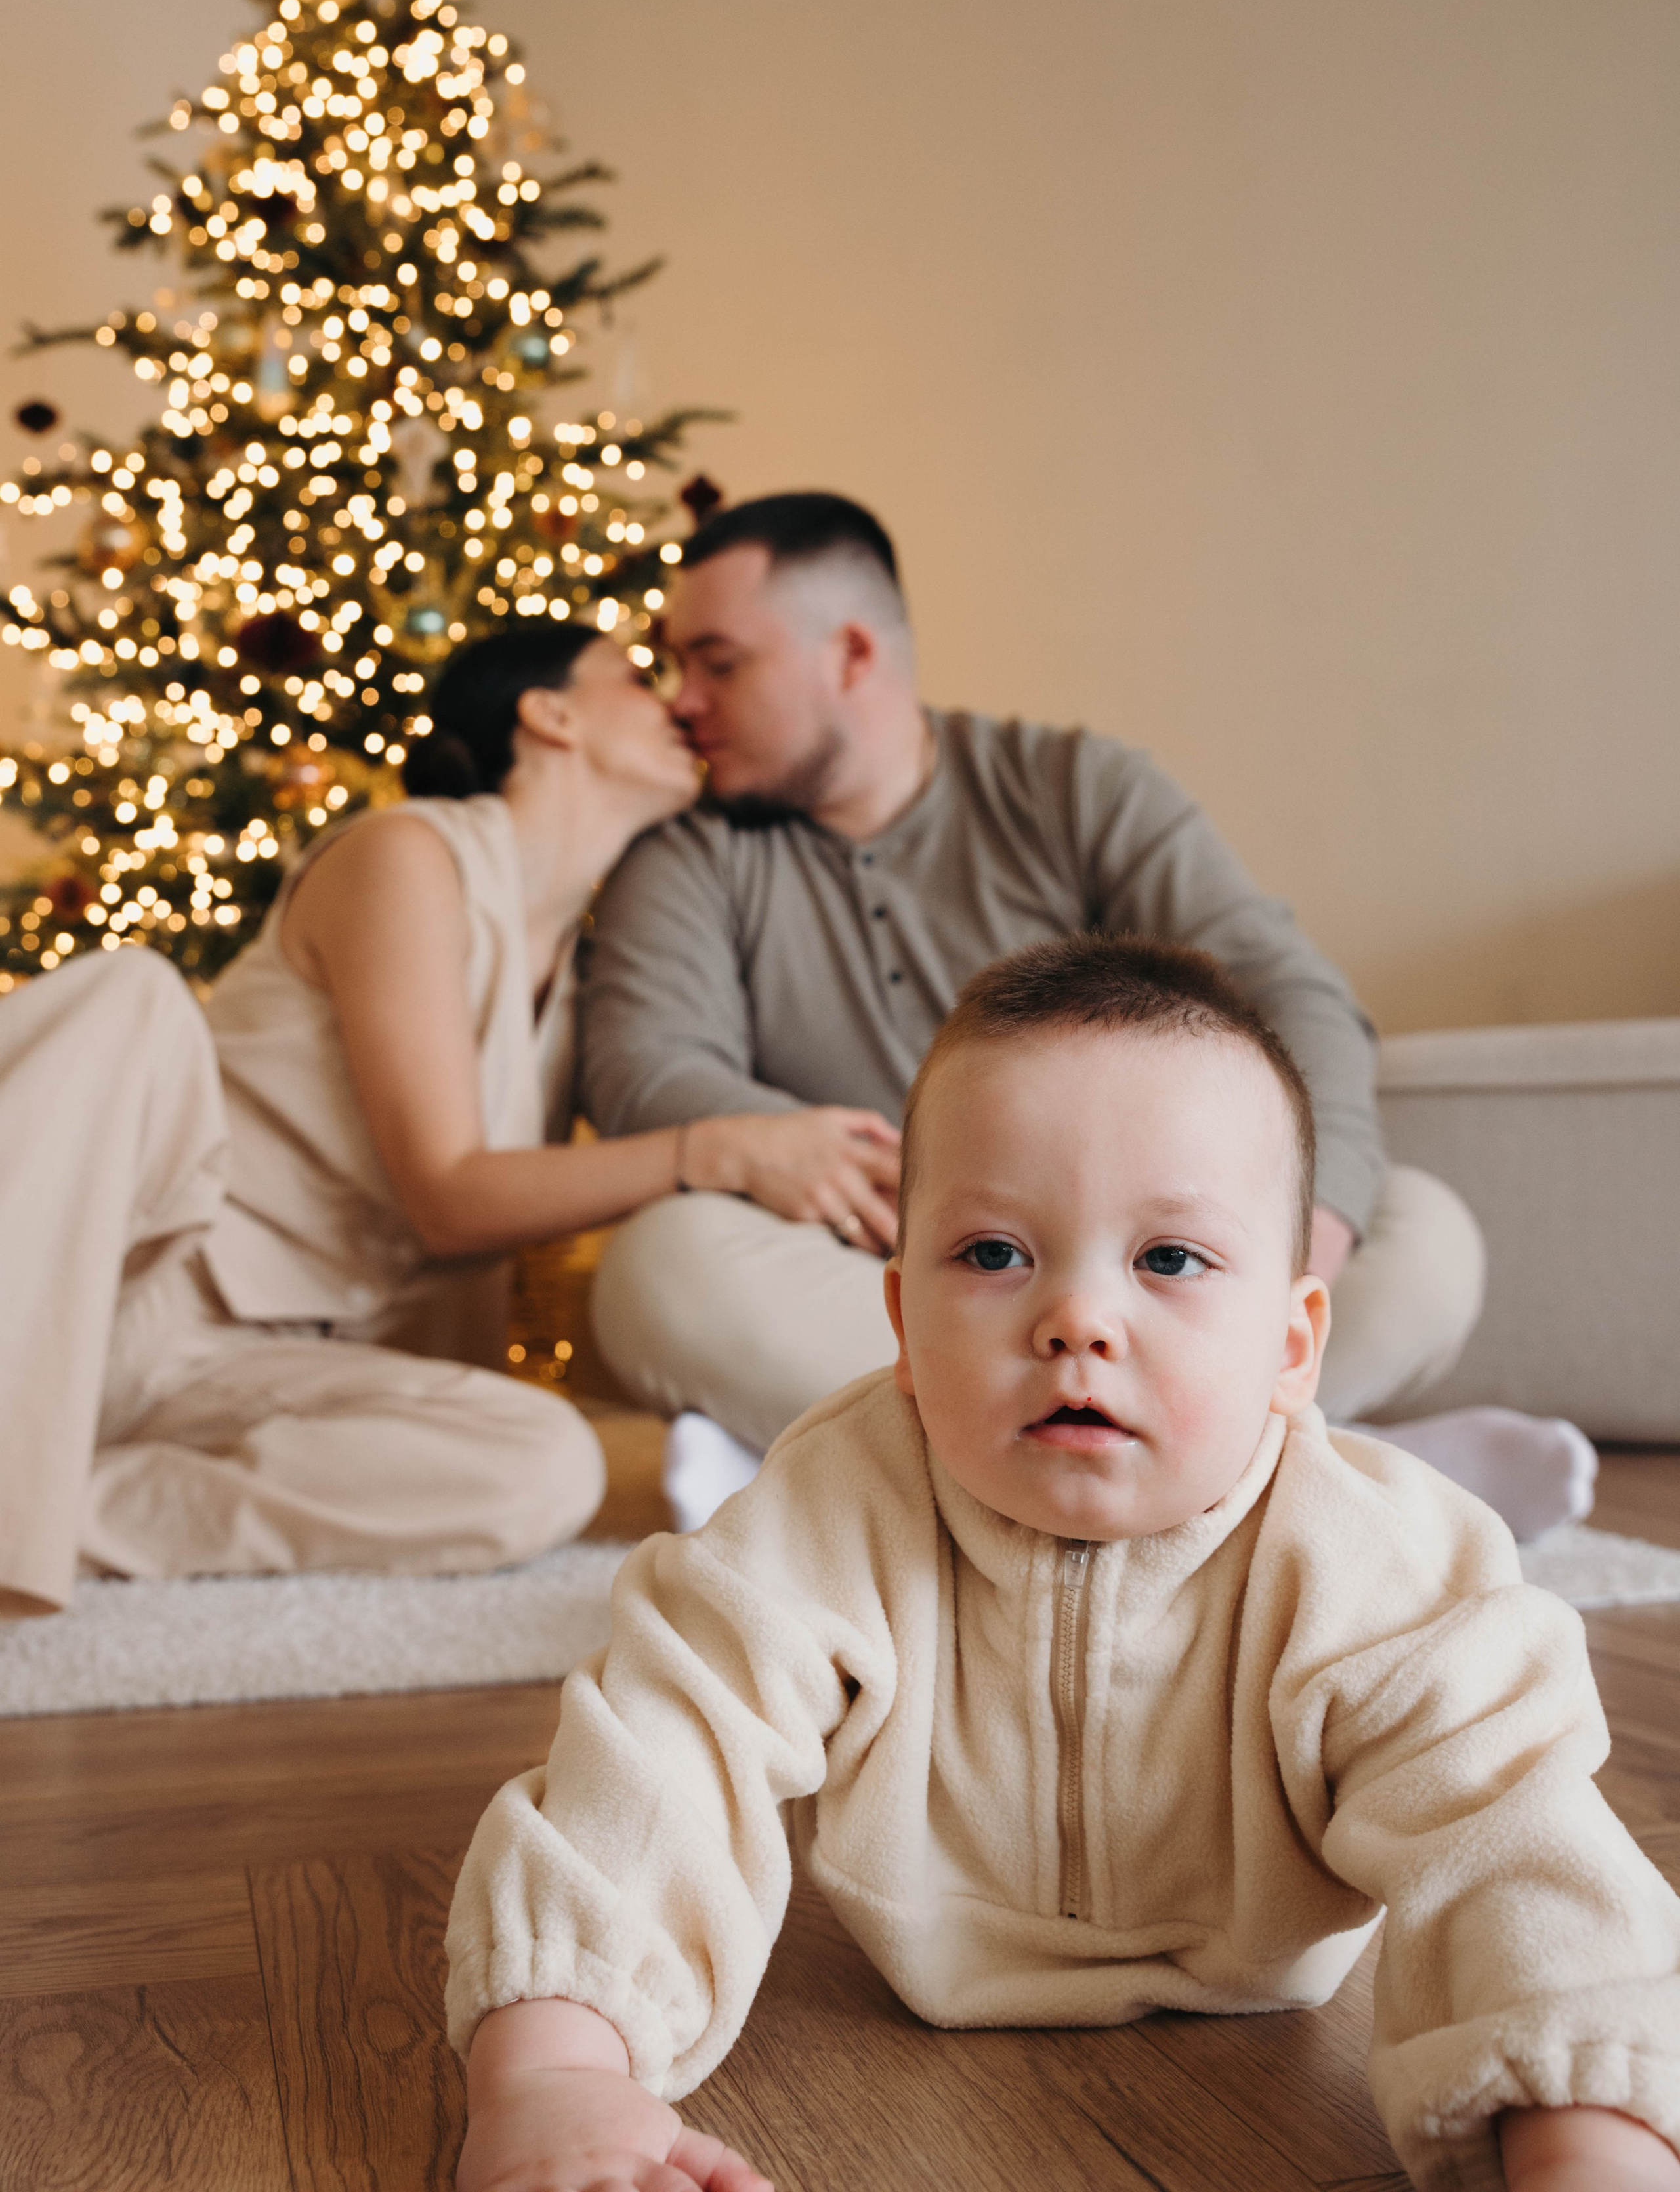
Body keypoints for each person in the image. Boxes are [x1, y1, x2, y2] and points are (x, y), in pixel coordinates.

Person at [446, 937, 1680, 2192]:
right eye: (994, 1254)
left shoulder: (1370, 1562)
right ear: (903, 1327)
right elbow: (660, 1757)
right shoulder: (834, 1507)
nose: (1077, 1320)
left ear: (1293, 1344)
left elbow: (1513, 1835)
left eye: (1169, 1259)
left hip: (1274, 1970)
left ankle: (1391, 1444)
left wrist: (1591, 2123)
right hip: (927, 1985)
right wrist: (555, 2068)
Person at [579, 492, 1593, 1541]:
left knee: (1428, 1236)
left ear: (850, 655)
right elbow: (642, 1073)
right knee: (663, 1266)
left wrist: (1289, 1255)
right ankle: (1320, 1481)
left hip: (1144, 1288)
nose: (682, 702)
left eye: (717, 663)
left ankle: (840, 1484)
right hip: (903, 1277)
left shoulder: (1074, 787)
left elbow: (1298, 1002)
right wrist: (864, 1169)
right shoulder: (690, 857)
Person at [0, 621, 841, 1617]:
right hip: (122, 1289)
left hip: (271, 1376)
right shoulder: (403, 854)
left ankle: (70, 1519)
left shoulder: (588, 984)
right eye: (637, 678)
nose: (680, 708)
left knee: (547, 1467)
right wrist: (719, 1151)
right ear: (550, 713)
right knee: (133, 994)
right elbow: (449, 1194)